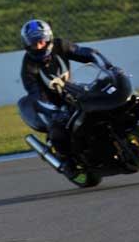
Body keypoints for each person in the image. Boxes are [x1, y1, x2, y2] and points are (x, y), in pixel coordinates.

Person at [19, 19, 108, 178]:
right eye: (33, 44)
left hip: (72, 92)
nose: (38, 47)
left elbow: (85, 53)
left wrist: (107, 65)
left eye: (41, 41)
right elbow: (36, 95)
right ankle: (67, 162)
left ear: (48, 39)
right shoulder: (28, 67)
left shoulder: (60, 45)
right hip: (52, 105)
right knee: (57, 131)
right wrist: (54, 112)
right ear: (27, 45)